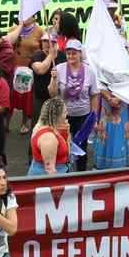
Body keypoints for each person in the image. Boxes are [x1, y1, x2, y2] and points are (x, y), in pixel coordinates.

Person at [48, 39, 98, 170]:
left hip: (83, 116)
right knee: (64, 146)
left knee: (81, 147)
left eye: (74, 53)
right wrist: (53, 79)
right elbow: (52, 94)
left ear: (80, 54)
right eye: (68, 53)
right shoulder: (58, 69)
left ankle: (81, 174)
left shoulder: (89, 71)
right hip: (64, 117)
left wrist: (94, 116)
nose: (71, 56)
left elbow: (94, 95)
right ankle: (65, 174)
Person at [28, 97, 71, 175]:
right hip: (47, 178)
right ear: (57, 115)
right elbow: (50, 170)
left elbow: (68, 151)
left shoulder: (51, 127)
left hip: (61, 171)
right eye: (64, 112)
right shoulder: (48, 137)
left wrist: (66, 133)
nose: (67, 114)